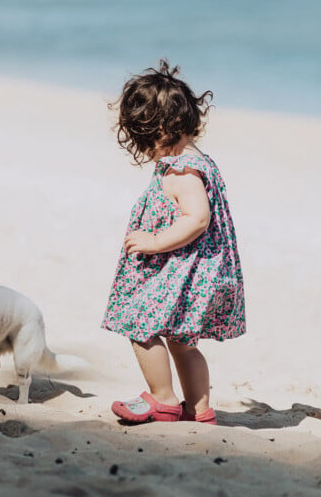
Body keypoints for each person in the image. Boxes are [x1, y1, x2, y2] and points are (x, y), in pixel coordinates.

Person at [101, 60, 246, 425]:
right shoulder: (197, 160)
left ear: (163, 129)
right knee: (182, 340)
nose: (146, 150)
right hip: (195, 270)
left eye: (146, 140)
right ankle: (200, 411)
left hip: (184, 269)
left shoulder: (181, 171)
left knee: (138, 323)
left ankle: (163, 399)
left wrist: (154, 241)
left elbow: (197, 218)